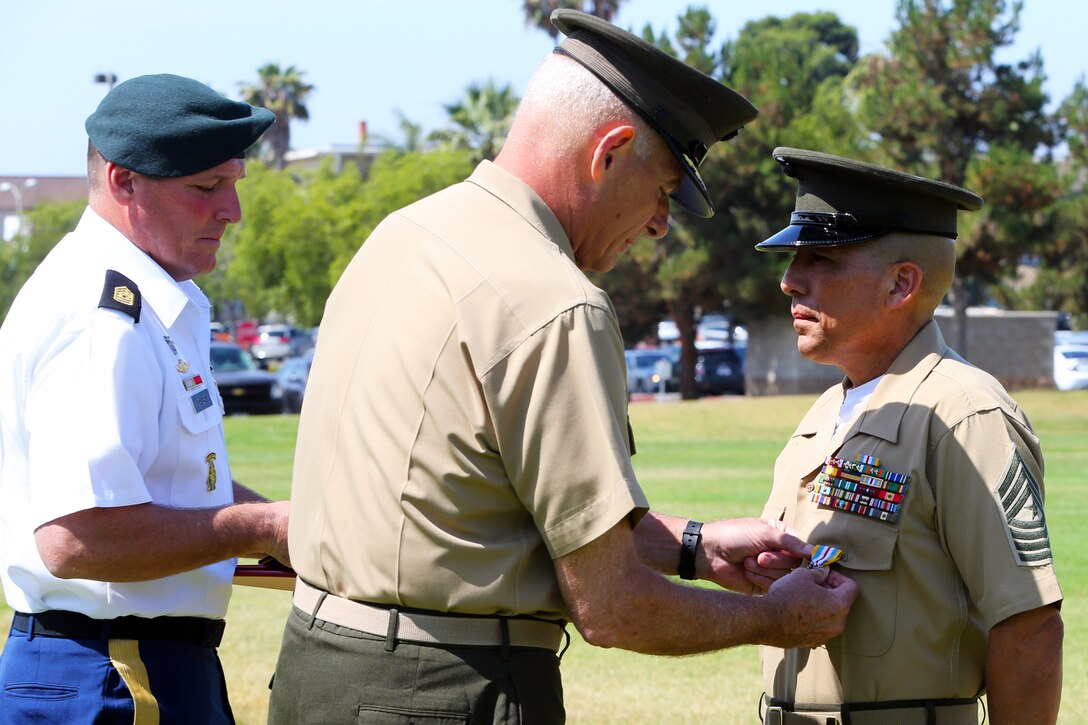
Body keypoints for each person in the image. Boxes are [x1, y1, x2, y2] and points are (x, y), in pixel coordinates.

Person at [268, 11, 857, 723]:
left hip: (316, 667)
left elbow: (478, 511)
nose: (660, 224)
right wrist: (774, 619)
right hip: (445, 689)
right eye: (664, 190)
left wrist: (695, 547)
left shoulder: (401, 236)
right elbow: (610, 607)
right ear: (608, 152)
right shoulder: (554, 302)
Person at [0, 74, 291, 723]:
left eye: (234, 183)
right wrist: (267, 526)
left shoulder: (142, 303)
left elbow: (173, 481)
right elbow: (78, 536)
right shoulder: (102, 318)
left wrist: (279, 522)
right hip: (112, 670)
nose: (232, 210)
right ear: (123, 181)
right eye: (206, 187)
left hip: (136, 662)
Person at [753, 148, 1064, 725]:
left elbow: (1028, 625)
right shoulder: (824, 413)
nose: (789, 281)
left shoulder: (964, 413)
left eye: (819, 258)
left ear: (901, 284)